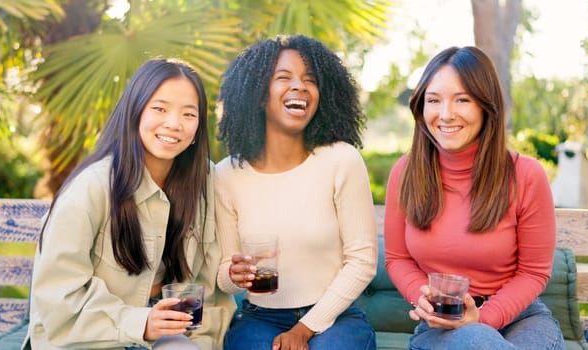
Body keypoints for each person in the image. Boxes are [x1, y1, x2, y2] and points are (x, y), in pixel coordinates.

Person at [24, 58, 236, 350]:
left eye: (189, 114)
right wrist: (141, 323)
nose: (173, 124)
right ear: (135, 111)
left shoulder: (205, 182)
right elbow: (57, 301)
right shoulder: (90, 188)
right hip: (90, 336)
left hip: (171, 330)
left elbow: (209, 292)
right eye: (159, 109)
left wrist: (198, 340)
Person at [384, 46, 564, 350]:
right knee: (475, 339)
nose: (445, 114)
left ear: (485, 106)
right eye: (433, 100)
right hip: (440, 324)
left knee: (478, 337)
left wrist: (482, 318)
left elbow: (533, 272)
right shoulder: (405, 172)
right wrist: (421, 297)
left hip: (522, 318)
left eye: (462, 100)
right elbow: (397, 258)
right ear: (421, 107)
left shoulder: (526, 175)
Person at [214, 34, 378, 350]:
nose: (300, 87)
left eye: (310, 80)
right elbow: (223, 274)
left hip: (336, 318)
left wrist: (304, 329)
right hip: (259, 318)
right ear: (259, 95)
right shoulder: (226, 175)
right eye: (283, 78)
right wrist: (235, 274)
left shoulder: (341, 160)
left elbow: (362, 262)